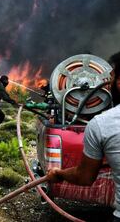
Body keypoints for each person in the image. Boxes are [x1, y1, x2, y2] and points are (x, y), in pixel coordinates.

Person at [46, 74, 120, 221]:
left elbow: (84, 176)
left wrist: (58, 174)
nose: (107, 83)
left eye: (111, 78)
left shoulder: (102, 124)